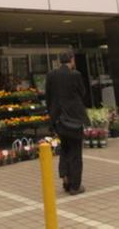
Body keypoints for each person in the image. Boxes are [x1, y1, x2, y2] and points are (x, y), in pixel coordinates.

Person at [46, 50, 88, 195]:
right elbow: (82, 93)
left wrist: (51, 118)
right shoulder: (75, 75)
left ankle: (65, 179)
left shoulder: (51, 75)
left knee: (64, 149)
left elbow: (48, 97)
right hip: (74, 119)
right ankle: (75, 186)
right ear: (72, 60)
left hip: (58, 120)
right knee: (76, 153)